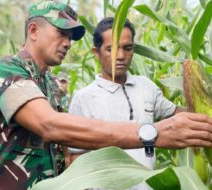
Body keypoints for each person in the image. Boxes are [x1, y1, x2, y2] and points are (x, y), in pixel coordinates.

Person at [0, 1, 212, 190]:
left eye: (71, 37)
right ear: (34, 30)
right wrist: (152, 134)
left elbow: (65, 152)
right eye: (62, 33)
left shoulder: (48, 83)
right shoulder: (6, 71)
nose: (69, 42)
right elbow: (50, 125)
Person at [66, 17, 209, 189]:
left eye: (127, 48)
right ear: (96, 53)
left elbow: (180, 115)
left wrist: (198, 92)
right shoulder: (84, 98)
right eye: (110, 49)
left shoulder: (146, 86)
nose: (120, 56)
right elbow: (76, 159)